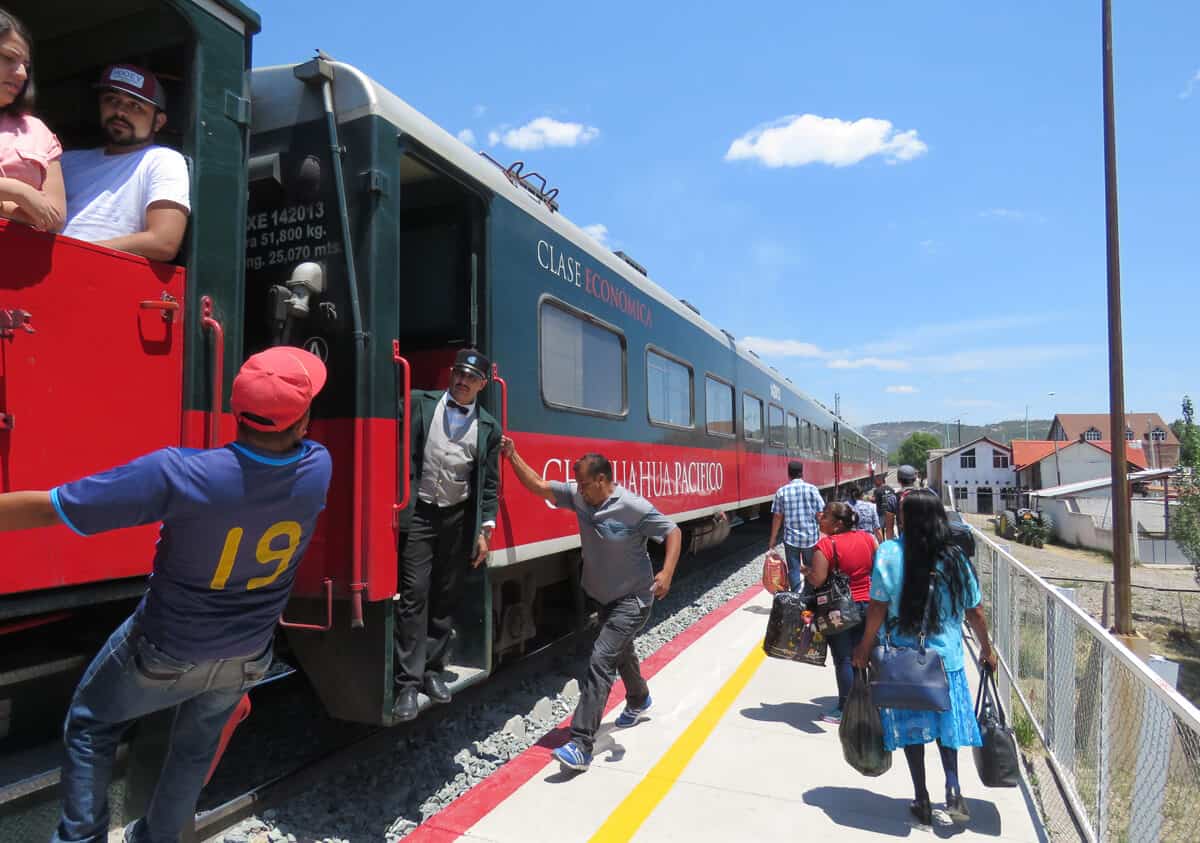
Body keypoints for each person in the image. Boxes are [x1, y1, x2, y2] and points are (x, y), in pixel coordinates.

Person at [0, 346, 331, 843]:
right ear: (303, 423)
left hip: (166, 649)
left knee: (91, 725)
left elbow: (55, 508)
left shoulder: (179, 473)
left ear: (234, 410)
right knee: (194, 749)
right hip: (248, 654)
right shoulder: (317, 467)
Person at [501, 443, 681, 772]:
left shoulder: (632, 506)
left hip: (635, 598)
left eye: (584, 485)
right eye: (577, 485)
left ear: (601, 480)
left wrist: (667, 572)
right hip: (604, 596)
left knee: (602, 658)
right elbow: (539, 486)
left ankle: (581, 743)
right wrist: (513, 456)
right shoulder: (580, 496)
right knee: (621, 651)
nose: (579, 491)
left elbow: (673, 531)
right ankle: (640, 698)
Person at [852, 489, 997, 827]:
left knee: (911, 730)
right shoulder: (956, 557)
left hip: (904, 662)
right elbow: (975, 611)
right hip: (947, 661)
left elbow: (877, 607)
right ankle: (953, 787)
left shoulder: (889, 553)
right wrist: (987, 651)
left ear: (906, 518)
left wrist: (863, 646)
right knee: (948, 729)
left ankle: (921, 797)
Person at [393, 348, 502, 721]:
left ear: (483, 385)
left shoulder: (488, 427)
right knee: (414, 594)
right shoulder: (419, 403)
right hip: (420, 513)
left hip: (457, 519)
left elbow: (489, 486)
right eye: (459, 373)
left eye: (471, 377)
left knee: (444, 595)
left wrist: (484, 531)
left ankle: (433, 672)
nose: (462, 380)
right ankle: (407, 682)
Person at [60, 63, 189, 261]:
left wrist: (75, 254)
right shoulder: (66, 161)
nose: (120, 112)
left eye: (135, 106)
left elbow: (164, 242)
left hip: (106, 277)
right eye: (111, 100)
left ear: (158, 122)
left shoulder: (162, 160)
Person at [806, 501, 877, 724]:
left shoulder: (825, 546)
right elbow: (876, 566)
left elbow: (818, 580)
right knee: (864, 654)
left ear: (837, 524)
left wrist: (807, 572)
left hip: (839, 609)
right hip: (867, 604)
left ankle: (846, 709)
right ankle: (867, 701)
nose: (821, 518)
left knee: (844, 659)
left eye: (825, 516)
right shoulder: (868, 538)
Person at [0, 8, 64, 231]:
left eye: (26, 66)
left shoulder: (38, 132)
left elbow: (54, 219)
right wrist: (18, 192)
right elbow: (35, 212)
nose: (22, 74)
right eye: (9, 58)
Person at [767, 460, 824, 591]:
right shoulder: (812, 489)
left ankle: (797, 597)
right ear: (802, 473)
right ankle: (809, 596)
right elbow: (820, 513)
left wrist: (773, 538)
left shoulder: (782, 491)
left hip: (791, 539)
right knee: (810, 568)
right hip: (811, 538)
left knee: (793, 569)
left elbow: (777, 516)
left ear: (789, 474)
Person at [873, 473, 898, 540]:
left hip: (881, 514)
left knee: (880, 529)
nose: (874, 482)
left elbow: (876, 501)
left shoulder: (877, 491)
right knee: (890, 529)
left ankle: (882, 544)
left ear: (880, 481)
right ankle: (891, 543)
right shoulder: (890, 489)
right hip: (890, 513)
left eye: (875, 481)